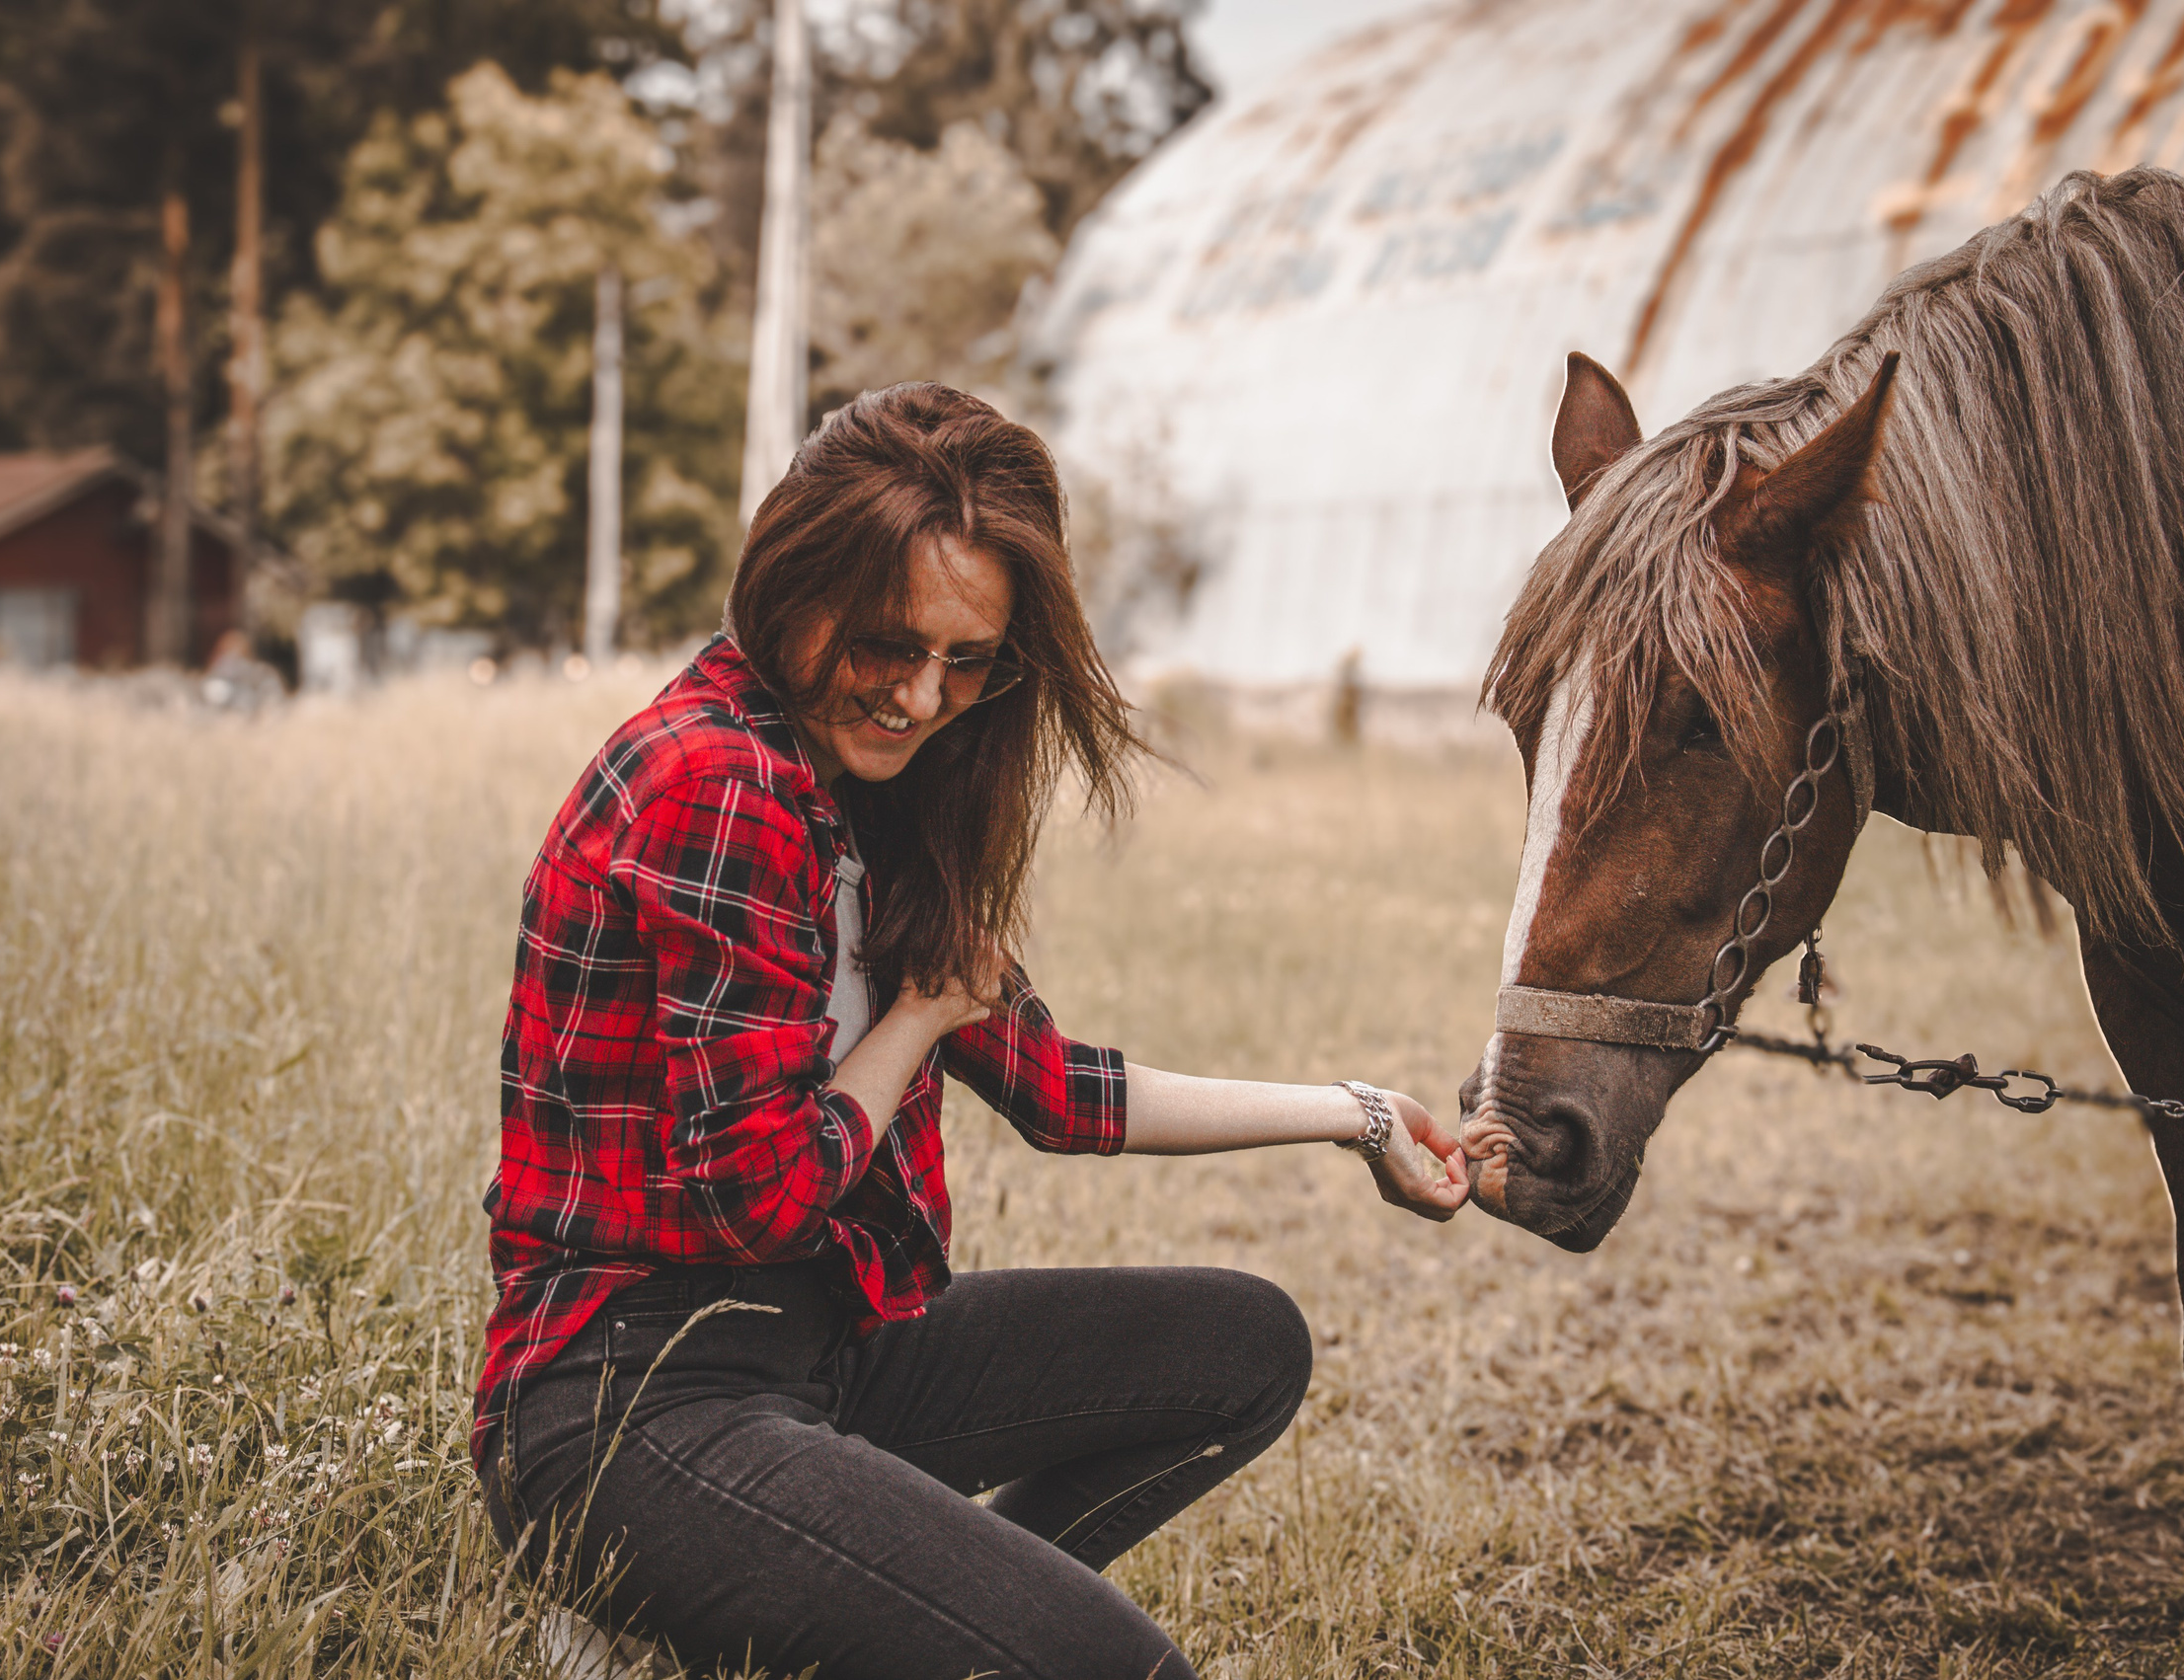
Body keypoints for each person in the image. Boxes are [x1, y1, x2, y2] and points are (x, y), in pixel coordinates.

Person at [474, 384, 1469, 1680]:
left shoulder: (871, 807)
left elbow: (1067, 1095)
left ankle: (910, 1613)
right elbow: (757, 1194)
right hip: (628, 1405)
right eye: (890, 643)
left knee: (1247, 1347)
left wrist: (1364, 1114)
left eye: (970, 661)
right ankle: (824, 1608)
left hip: (819, 1359)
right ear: (796, 577)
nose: (921, 695)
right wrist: (918, 1019)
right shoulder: (719, 781)